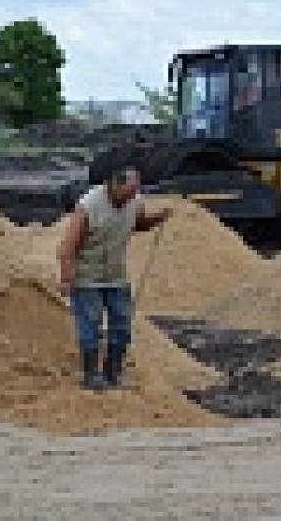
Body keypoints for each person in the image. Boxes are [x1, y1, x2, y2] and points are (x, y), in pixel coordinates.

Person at [57, 147, 172, 391]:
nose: (135, 193)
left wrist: (156, 219)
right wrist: (67, 279)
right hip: (87, 277)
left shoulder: (134, 202)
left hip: (116, 276)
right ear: (113, 184)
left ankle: (112, 374)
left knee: (122, 324)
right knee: (91, 324)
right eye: (131, 188)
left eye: (137, 187)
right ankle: (91, 376)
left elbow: (138, 224)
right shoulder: (88, 206)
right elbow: (67, 248)